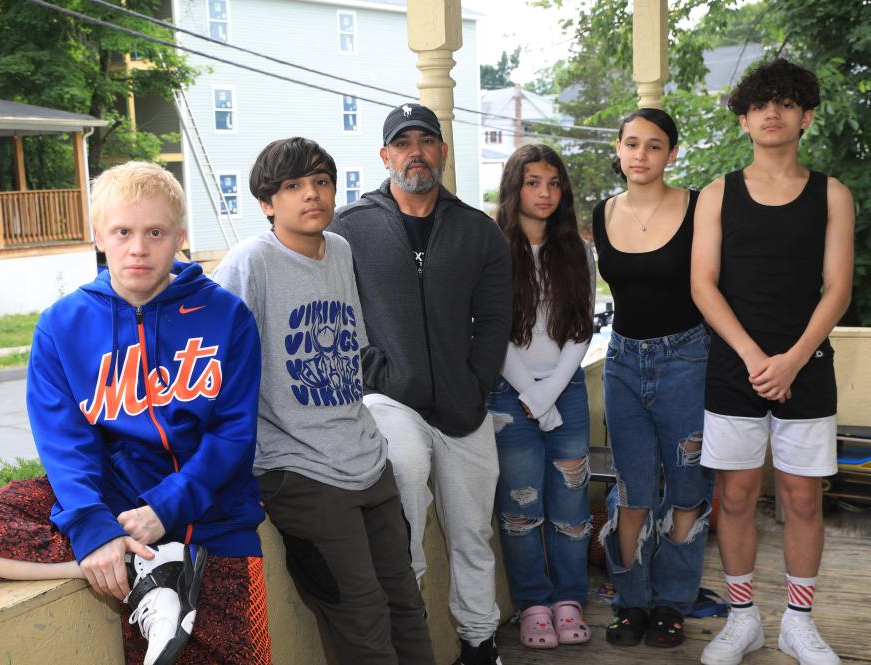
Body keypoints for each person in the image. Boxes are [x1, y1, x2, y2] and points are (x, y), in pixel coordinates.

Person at [0, 161, 271, 665]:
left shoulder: (227, 316)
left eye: (155, 232)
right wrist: (95, 530)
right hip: (114, 510)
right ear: (98, 235)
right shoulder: (62, 325)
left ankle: (154, 569)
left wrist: (163, 510)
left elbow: (232, 437)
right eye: (123, 231)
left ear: (179, 237)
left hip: (212, 522)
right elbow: (66, 445)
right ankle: (143, 572)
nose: (139, 247)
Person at [213, 137, 435, 665]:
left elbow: (352, 348)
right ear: (267, 203)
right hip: (299, 470)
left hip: (365, 456)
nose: (311, 194)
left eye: (320, 181)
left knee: (406, 600)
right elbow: (213, 371)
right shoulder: (250, 262)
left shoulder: (340, 250)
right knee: (360, 617)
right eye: (292, 186)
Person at [330, 103, 512, 665]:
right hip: (390, 399)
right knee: (405, 494)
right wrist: (373, 373)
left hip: (464, 406)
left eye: (426, 141)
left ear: (443, 152)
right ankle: (410, 639)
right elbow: (338, 315)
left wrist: (476, 383)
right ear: (385, 156)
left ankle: (479, 645)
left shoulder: (476, 229)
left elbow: (496, 317)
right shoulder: (349, 228)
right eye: (402, 143)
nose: (415, 151)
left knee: (472, 534)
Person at [693, 59, 854, 665]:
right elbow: (703, 285)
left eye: (786, 102)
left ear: (805, 115)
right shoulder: (717, 194)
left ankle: (798, 622)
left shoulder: (831, 194)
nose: (772, 112)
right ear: (743, 119)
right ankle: (742, 621)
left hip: (806, 366)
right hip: (735, 365)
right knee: (734, 497)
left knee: (802, 498)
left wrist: (792, 360)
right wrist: (758, 357)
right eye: (760, 104)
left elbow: (836, 289)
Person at [591, 108, 714, 649]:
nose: (641, 155)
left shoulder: (698, 206)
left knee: (687, 490)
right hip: (621, 362)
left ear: (672, 153)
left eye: (655, 145)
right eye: (632, 144)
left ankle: (672, 604)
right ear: (618, 149)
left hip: (687, 360)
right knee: (632, 491)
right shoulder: (602, 213)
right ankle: (631, 602)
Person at [490, 144, 595, 649]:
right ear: (515, 188)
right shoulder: (492, 248)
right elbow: (490, 330)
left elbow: (581, 328)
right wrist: (529, 393)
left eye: (553, 183)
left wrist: (549, 393)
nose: (545, 193)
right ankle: (534, 604)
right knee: (520, 507)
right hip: (509, 397)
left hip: (566, 393)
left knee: (571, 506)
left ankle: (569, 599)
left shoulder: (577, 247)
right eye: (533, 182)